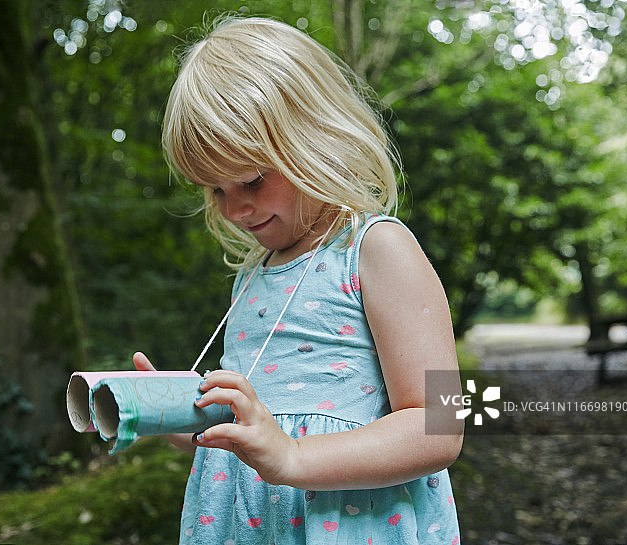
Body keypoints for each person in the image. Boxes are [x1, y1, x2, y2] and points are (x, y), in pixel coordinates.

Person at [133, 15, 463, 545]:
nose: (235, 208)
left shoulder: (378, 249)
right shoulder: (252, 276)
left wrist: (294, 456)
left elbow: (443, 426)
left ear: (315, 138)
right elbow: (253, 429)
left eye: (251, 180)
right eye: (215, 191)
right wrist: (179, 416)